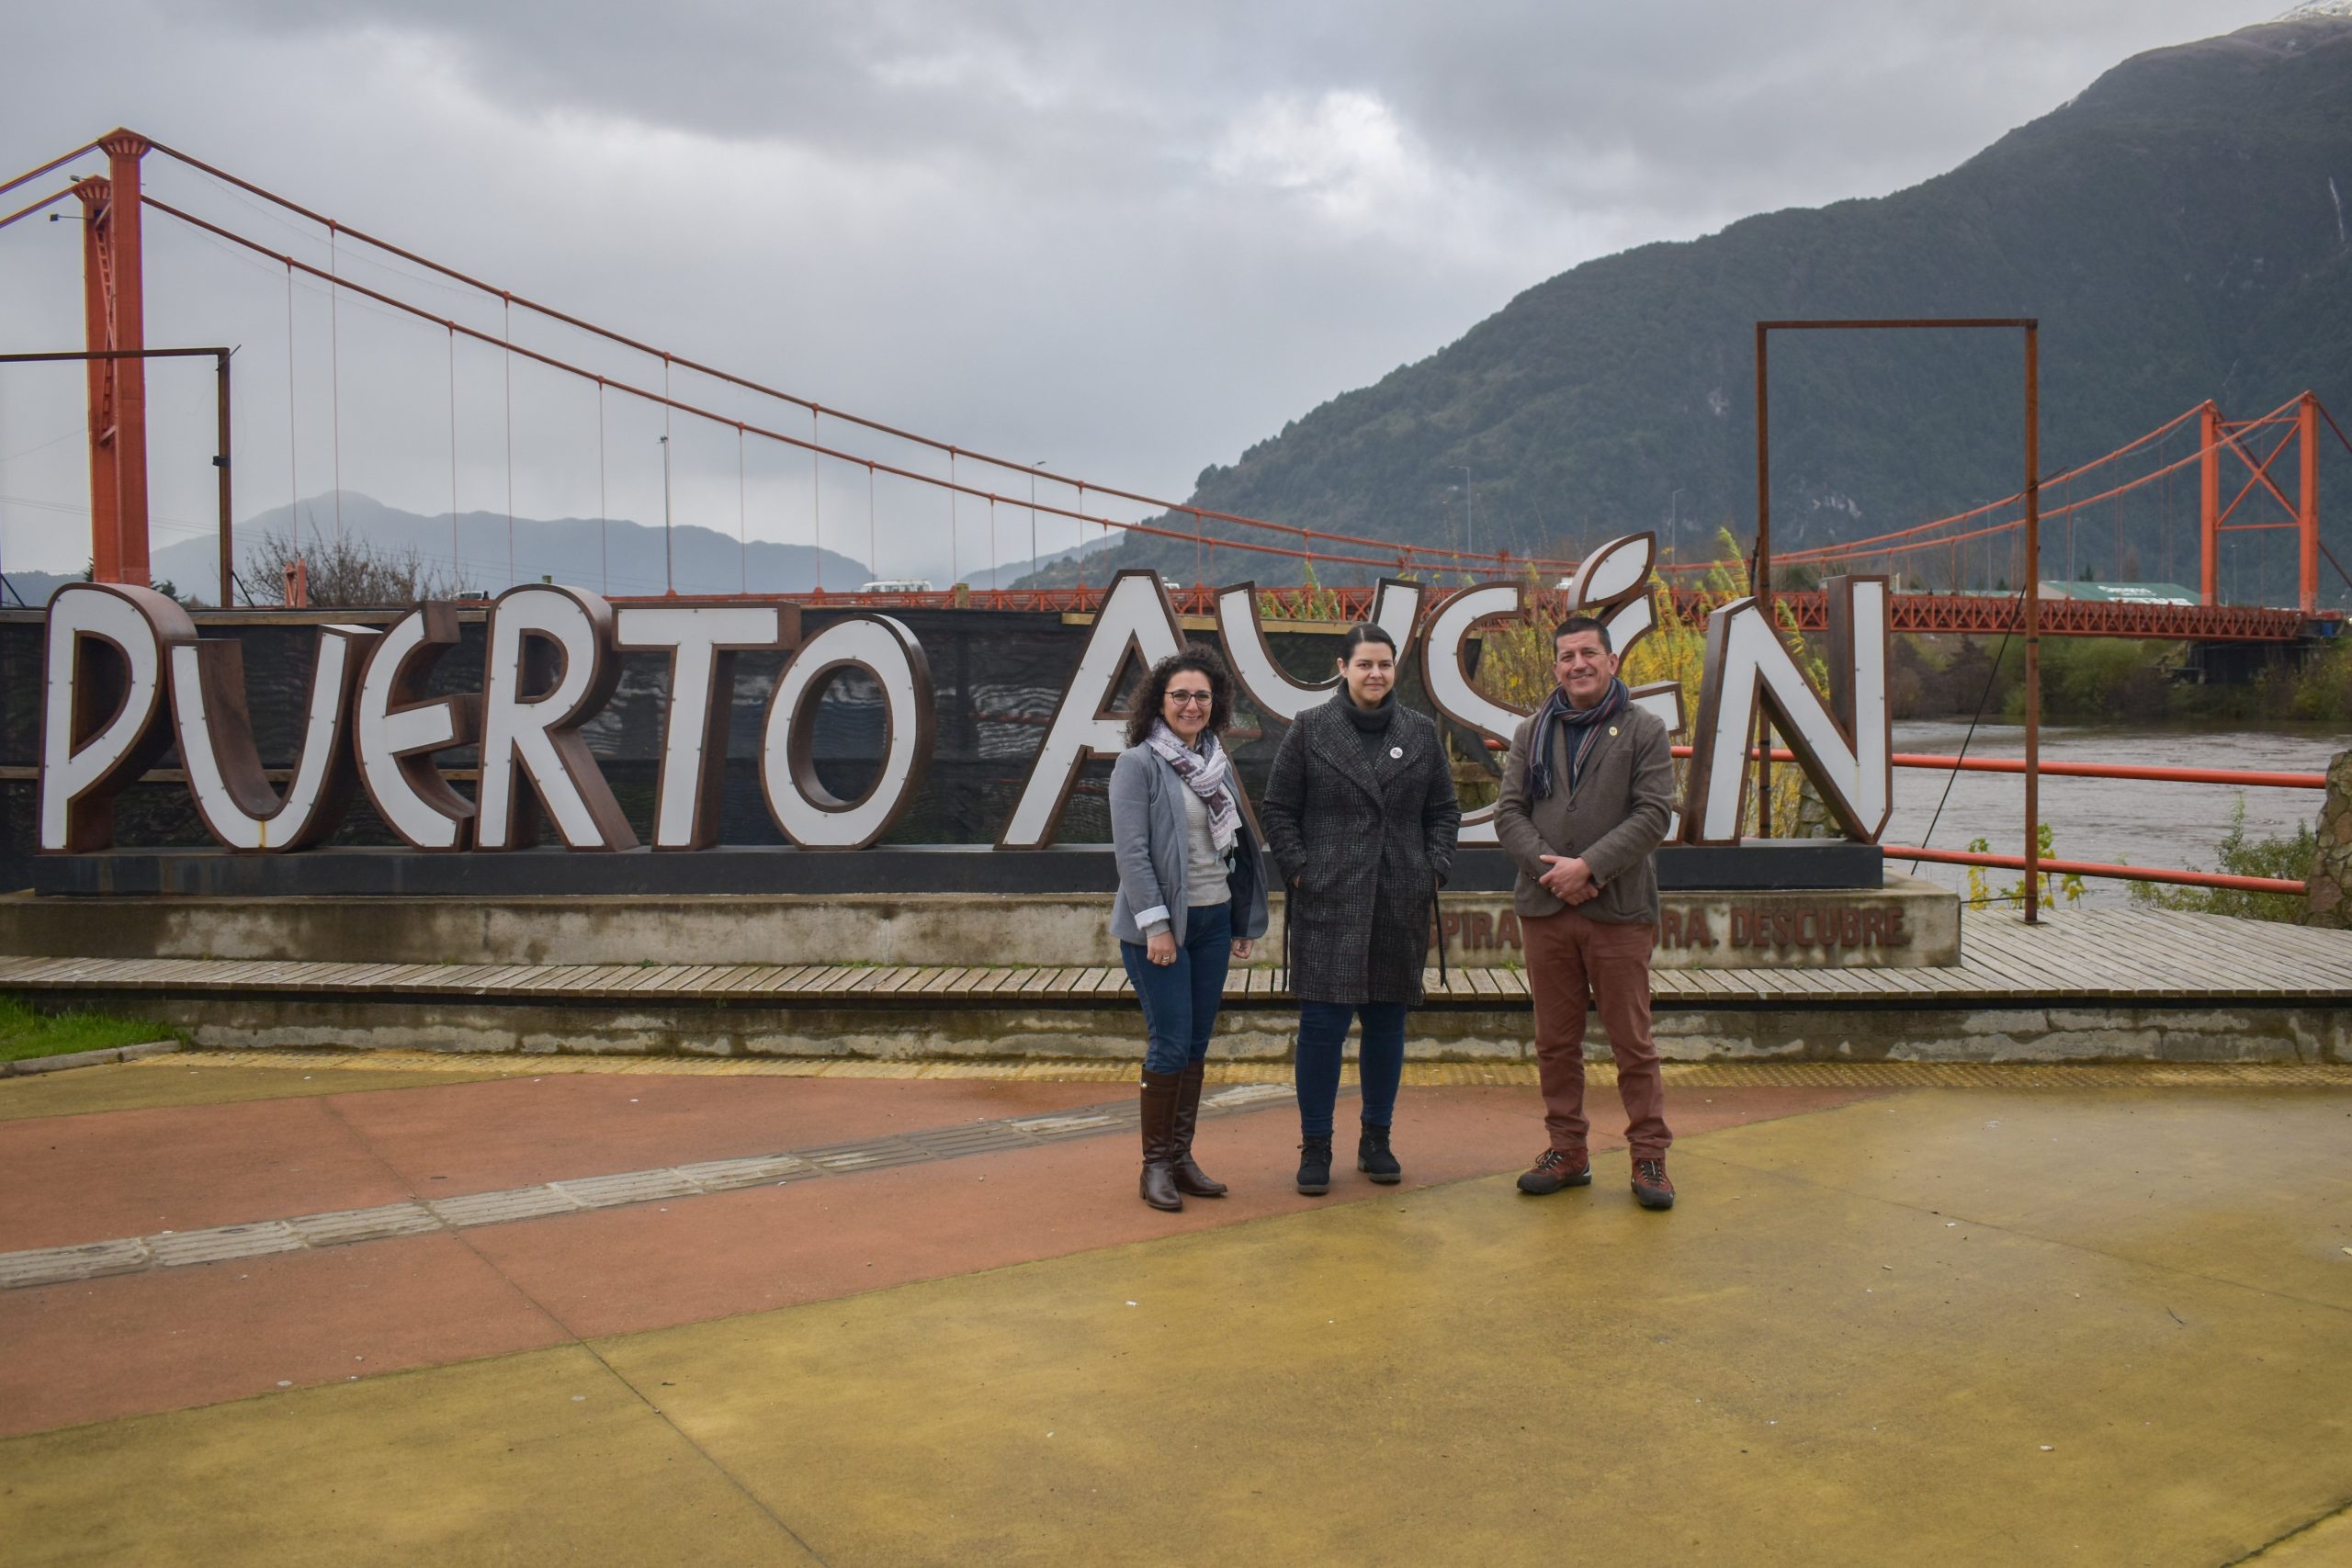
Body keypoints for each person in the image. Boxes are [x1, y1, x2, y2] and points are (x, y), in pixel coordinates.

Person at [1260, 624, 1461, 1196]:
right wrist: (1302, 870)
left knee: (1387, 1024)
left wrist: (1432, 868)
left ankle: (1377, 1139)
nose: (1376, 674)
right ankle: (1316, 1145)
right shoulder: (1310, 729)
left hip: (1399, 897)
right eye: (1365, 663)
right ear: (1342, 667)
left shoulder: (1420, 732)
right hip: (1329, 898)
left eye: (1386, 664)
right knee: (1321, 1026)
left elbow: (1443, 812)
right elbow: (1278, 809)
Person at [1494, 615, 1679, 1210]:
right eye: (1568, 655)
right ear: (1556, 668)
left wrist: (1590, 868)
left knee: (1632, 1039)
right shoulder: (1532, 731)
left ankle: (1649, 1154)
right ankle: (1567, 1149)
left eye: (1589, 654)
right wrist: (1552, 870)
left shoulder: (1644, 728)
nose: (1578, 664)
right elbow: (1509, 813)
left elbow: (1654, 814)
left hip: (1618, 909)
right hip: (1545, 906)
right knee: (1555, 1039)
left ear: (1612, 660)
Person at [1109, 647, 1270, 1212]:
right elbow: (1132, 855)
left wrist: (1240, 920)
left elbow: (1233, 851)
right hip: (1162, 930)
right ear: (1160, 700)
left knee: (1197, 1045)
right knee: (1171, 1042)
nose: (1191, 704)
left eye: (1202, 695)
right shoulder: (1139, 763)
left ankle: (1181, 1158)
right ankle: (1154, 1166)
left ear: (1215, 703)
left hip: (1213, 921)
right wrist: (1155, 927)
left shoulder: (1215, 762)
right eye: (1180, 694)